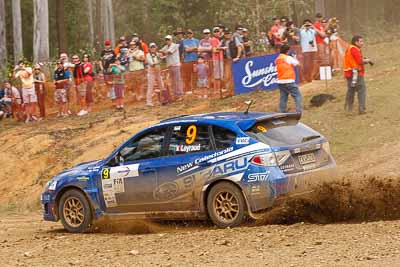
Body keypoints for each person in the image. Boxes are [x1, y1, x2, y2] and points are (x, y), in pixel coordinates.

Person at [343, 35, 372, 115]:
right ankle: (361, 109)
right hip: (356, 73)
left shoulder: (350, 48)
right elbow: (359, 61)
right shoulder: (354, 49)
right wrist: (367, 60)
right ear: (356, 42)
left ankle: (348, 109)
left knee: (351, 90)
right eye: (361, 41)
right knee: (361, 90)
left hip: (349, 73)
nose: (362, 43)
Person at [275, 44, 302, 113]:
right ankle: (298, 111)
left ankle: (281, 111)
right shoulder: (288, 58)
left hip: (280, 81)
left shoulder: (277, 59)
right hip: (289, 80)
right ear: (287, 51)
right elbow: (298, 64)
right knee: (297, 95)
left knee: (283, 97)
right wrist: (294, 57)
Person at [160, 35, 183, 100]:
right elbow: (160, 51)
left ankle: (179, 95)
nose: (167, 41)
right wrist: (161, 53)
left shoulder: (175, 45)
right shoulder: (166, 46)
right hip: (170, 66)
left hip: (176, 65)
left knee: (177, 80)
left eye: (168, 39)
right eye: (166, 40)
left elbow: (169, 52)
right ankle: (175, 95)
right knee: (172, 81)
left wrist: (162, 53)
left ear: (171, 40)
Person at [182, 29, 199, 93]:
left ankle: (195, 88)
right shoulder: (185, 41)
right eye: (188, 33)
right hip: (187, 60)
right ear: (187, 34)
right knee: (187, 75)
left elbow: (198, 49)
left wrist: (191, 49)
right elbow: (187, 50)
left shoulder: (197, 41)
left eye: (191, 33)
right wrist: (194, 48)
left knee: (195, 74)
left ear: (193, 33)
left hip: (195, 59)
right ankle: (188, 89)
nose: (190, 34)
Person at [211, 27, 224, 93]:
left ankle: (219, 89)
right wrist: (222, 48)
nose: (217, 32)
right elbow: (214, 50)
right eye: (215, 31)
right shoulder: (214, 39)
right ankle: (216, 89)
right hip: (216, 59)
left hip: (220, 58)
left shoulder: (218, 39)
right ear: (213, 33)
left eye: (218, 31)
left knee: (220, 74)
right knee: (217, 75)